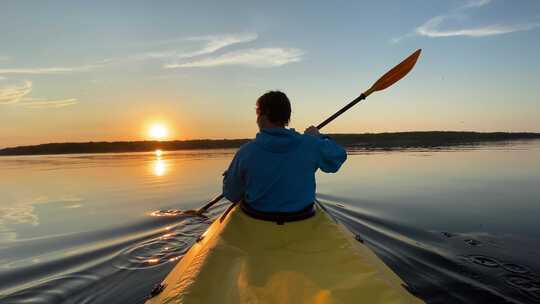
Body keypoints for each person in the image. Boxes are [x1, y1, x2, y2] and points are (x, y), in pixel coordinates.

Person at [222, 91, 347, 216]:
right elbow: (337, 158)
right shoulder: (311, 144)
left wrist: (229, 176)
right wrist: (318, 137)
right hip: (302, 217)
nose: (257, 120)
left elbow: (231, 194)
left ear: (264, 115)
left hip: (258, 217)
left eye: (258, 114)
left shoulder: (246, 152)